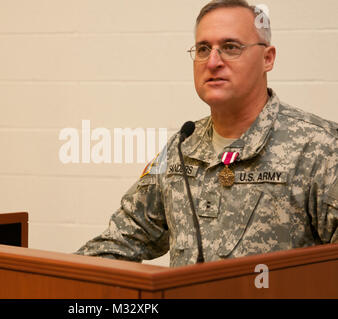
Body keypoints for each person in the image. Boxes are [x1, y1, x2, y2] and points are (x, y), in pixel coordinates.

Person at [75, 0, 338, 267]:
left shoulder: (321, 148)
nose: (213, 62)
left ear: (267, 58)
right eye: (203, 49)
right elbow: (123, 238)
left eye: (230, 47)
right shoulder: (182, 147)